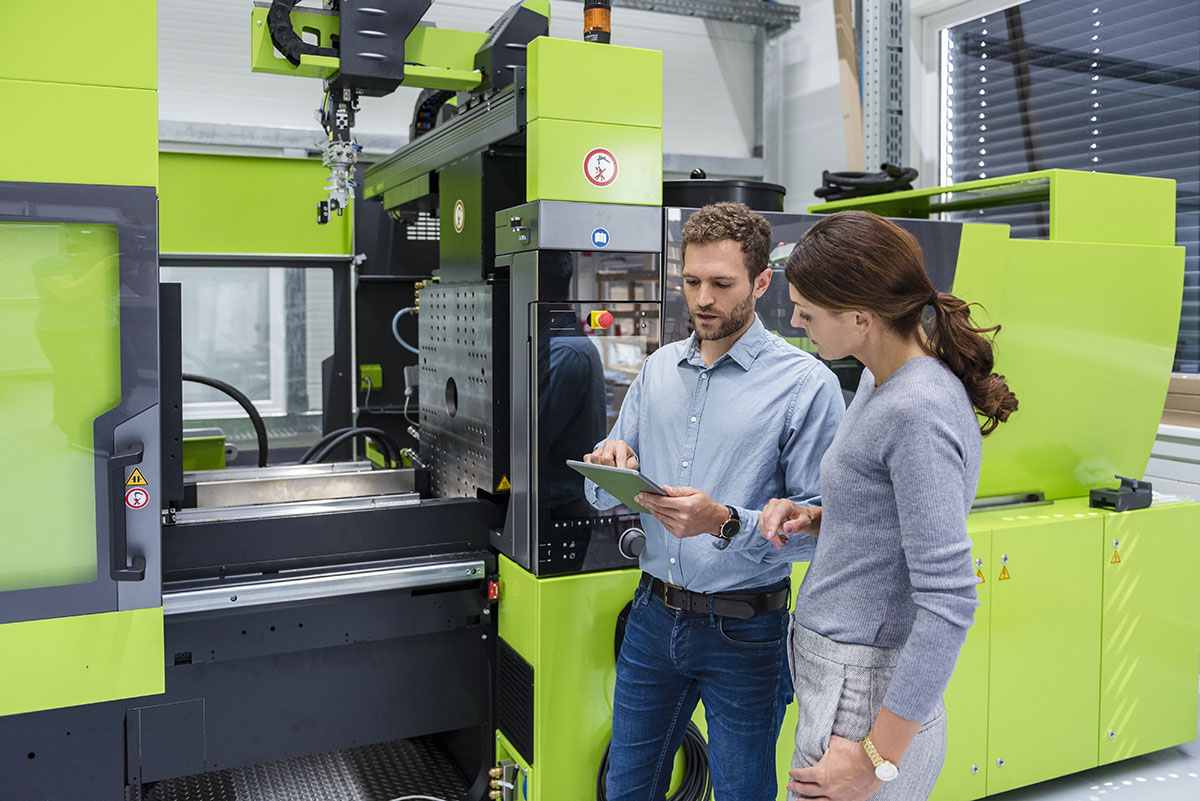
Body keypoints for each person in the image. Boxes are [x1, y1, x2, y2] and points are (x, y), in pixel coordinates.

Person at [583, 201, 845, 801]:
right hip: (652, 617)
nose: (703, 298)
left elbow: (823, 530)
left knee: (740, 793)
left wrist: (722, 522)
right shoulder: (656, 372)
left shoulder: (805, 385)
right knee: (626, 788)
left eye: (722, 284)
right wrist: (608, 464)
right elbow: (602, 495)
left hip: (746, 634)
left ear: (759, 282)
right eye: (692, 281)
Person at [761, 210, 1019, 801]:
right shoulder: (883, 379)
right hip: (844, 679)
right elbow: (891, 519)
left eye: (807, 311)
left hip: (863, 699)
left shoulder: (916, 408)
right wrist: (823, 517)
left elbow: (950, 599)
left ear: (860, 316)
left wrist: (875, 759)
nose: (797, 324)